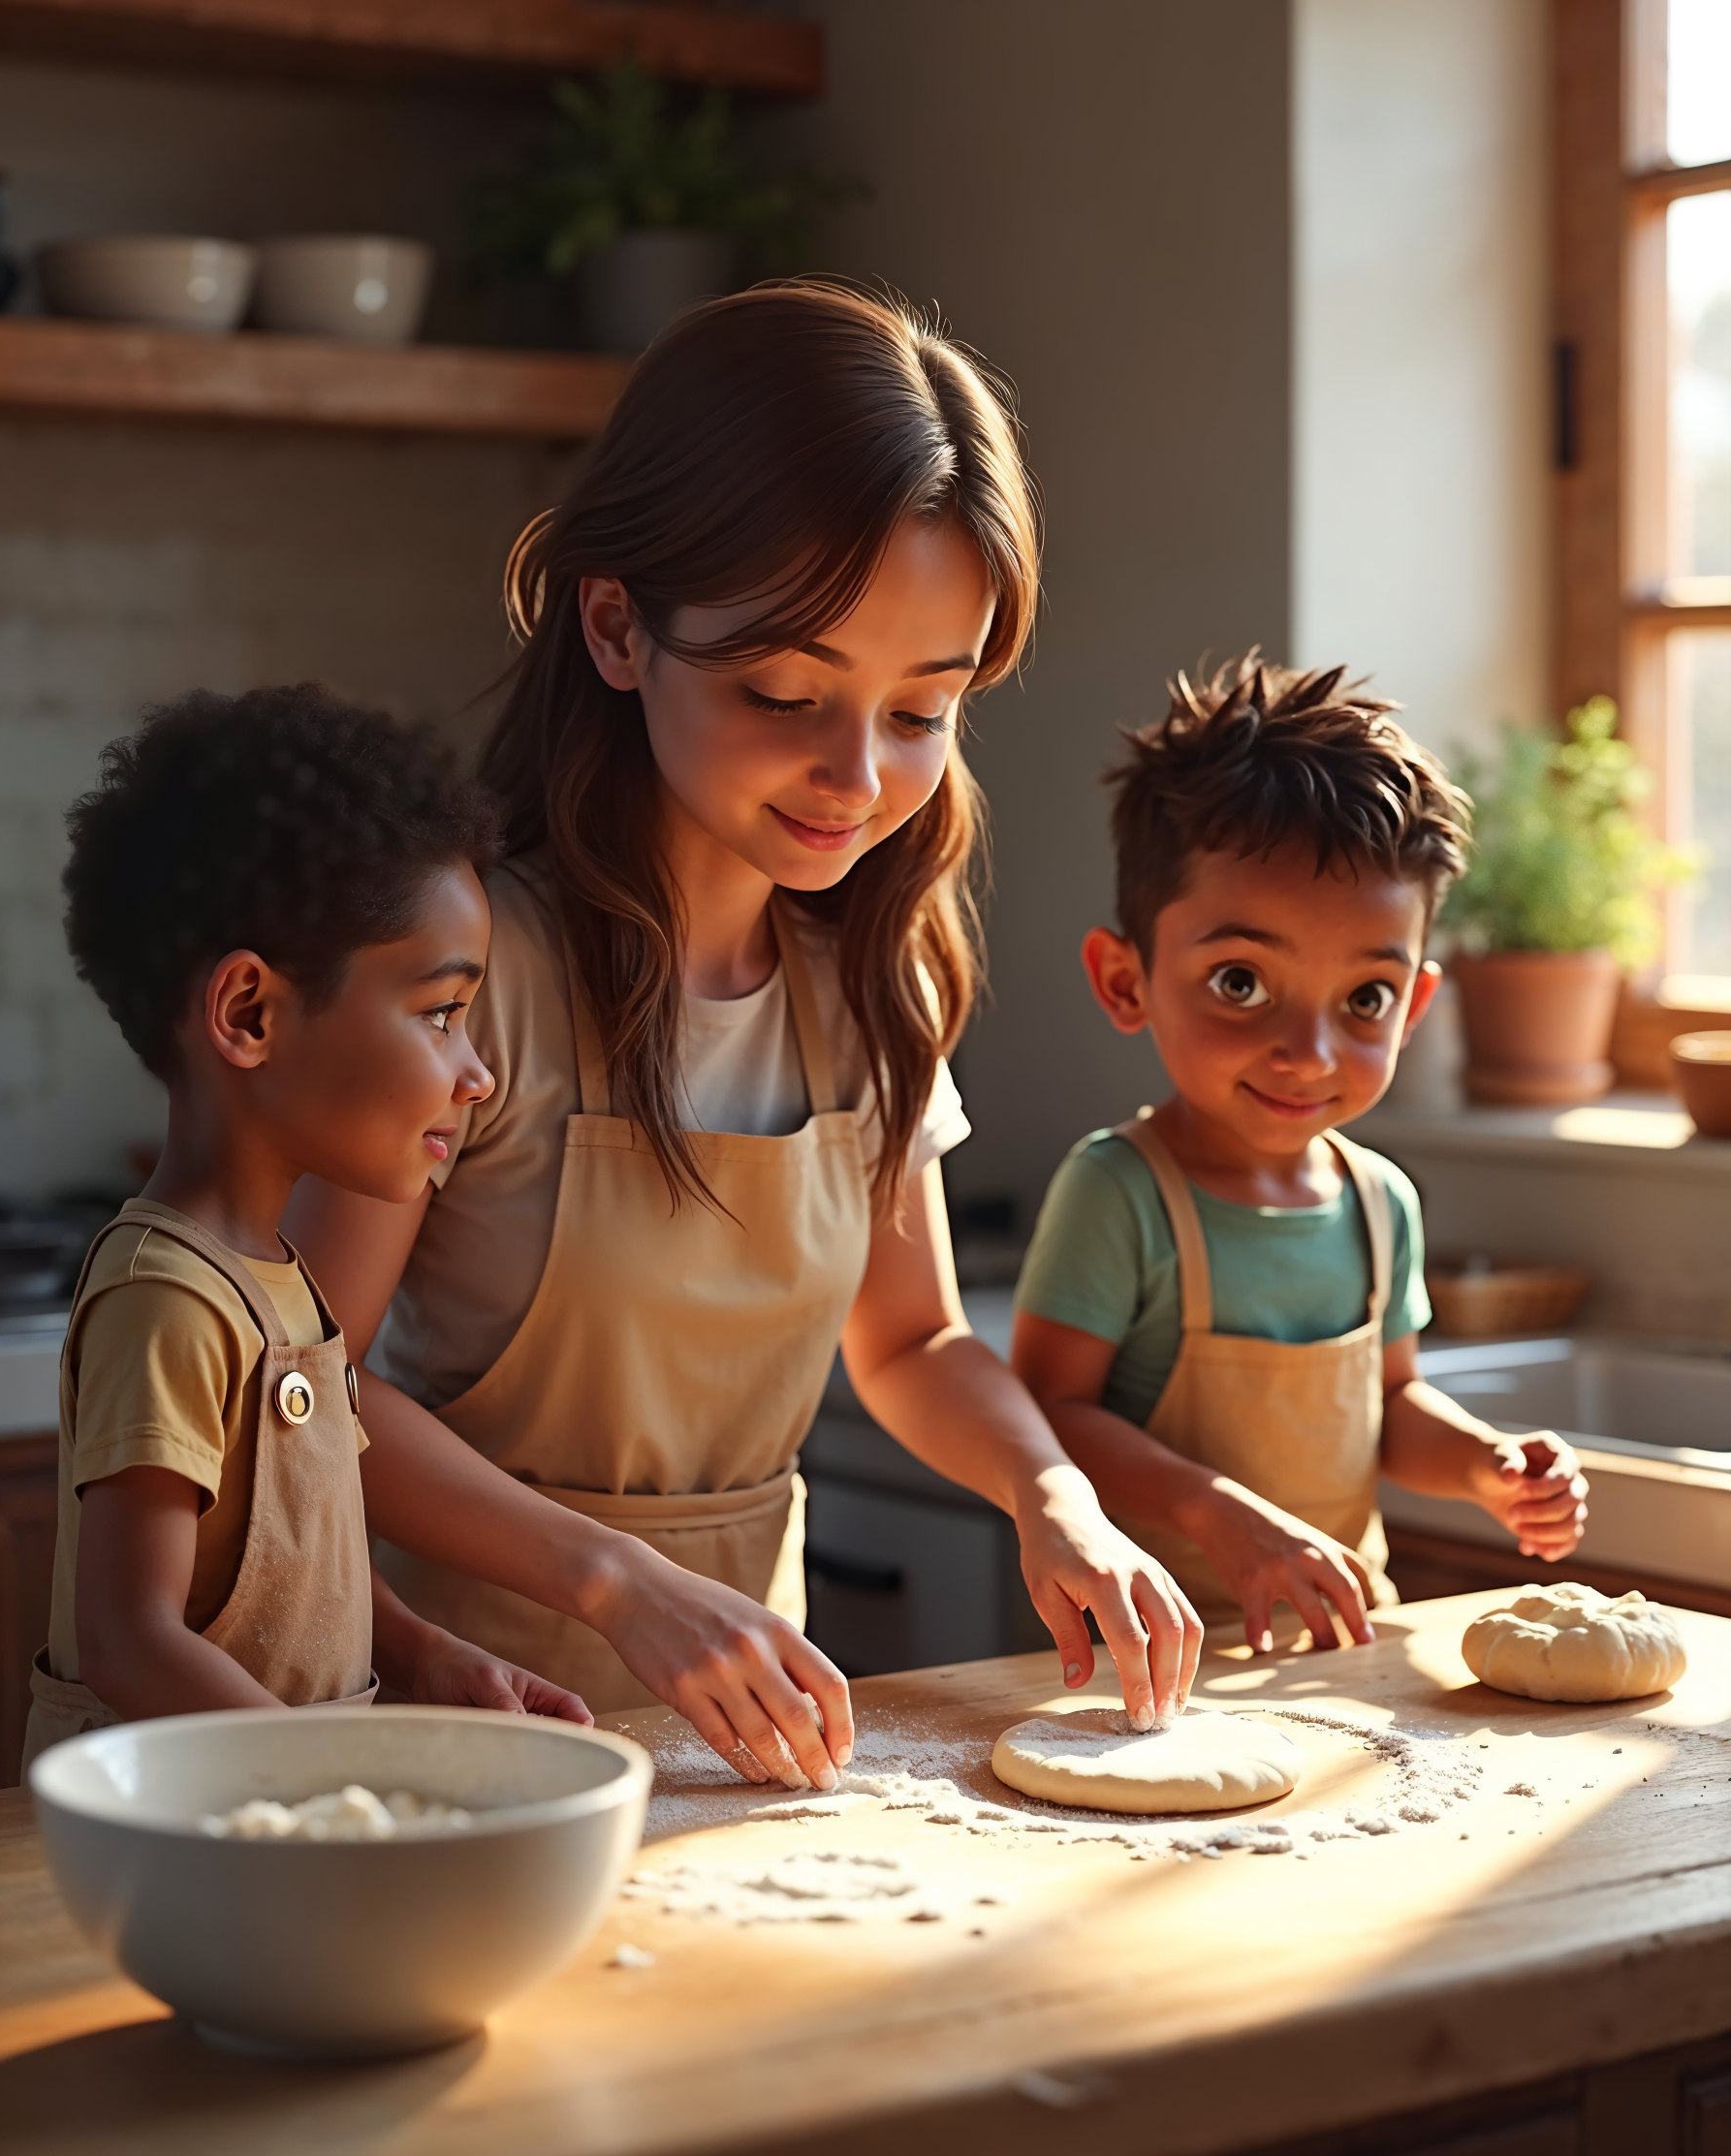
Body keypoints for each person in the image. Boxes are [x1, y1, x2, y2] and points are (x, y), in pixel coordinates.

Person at [288, 282, 1203, 1785]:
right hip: (457, 1734)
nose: (855, 772)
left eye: (923, 710)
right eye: (786, 691)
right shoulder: (482, 969)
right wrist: (615, 1582)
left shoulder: (875, 985)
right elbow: (300, 1382)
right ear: (616, 627)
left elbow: (907, 1340)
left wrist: (1057, 1502)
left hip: (745, 1741)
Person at [23, 685, 592, 1775]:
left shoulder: (283, 1279)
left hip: (270, 1834)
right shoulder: (166, 1298)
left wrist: (422, 1655)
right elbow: (130, 1638)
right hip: (174, 1849)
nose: (476, 1074)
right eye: (439, 1013)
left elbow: (292, 1562)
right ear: (249, 1014)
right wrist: (335, 1789)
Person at [1012, 655, 1590, 1654]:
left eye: (1363, 998)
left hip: (1343, 1661)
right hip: (1143, 1670)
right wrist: (1214, 1512)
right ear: (1124, 980)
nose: (1306, 1051)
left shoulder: (1379, 1204)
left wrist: (1485, 1465)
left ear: (1410, 1009)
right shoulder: (1118, 1192)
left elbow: (1390, 1404)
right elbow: (1046, 1425)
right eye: (1241, 980)